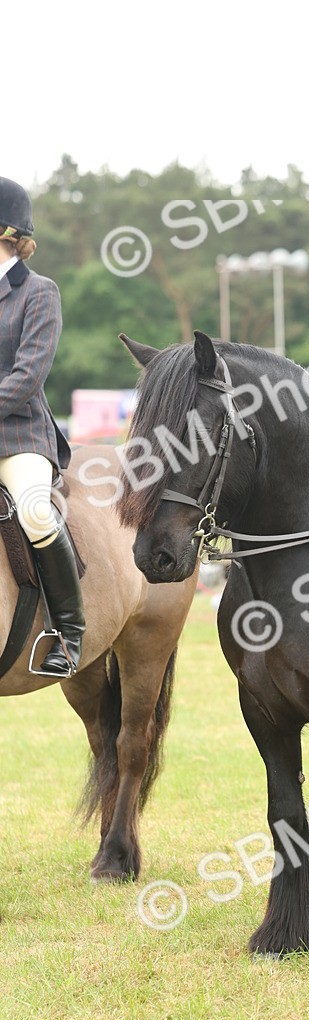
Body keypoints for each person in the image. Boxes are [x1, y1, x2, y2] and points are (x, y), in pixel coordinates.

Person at [0, 176, 84, 675]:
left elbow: (27, 376)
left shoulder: (38, 293)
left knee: (34, 511)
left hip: (19, 437)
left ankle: (68, 634)